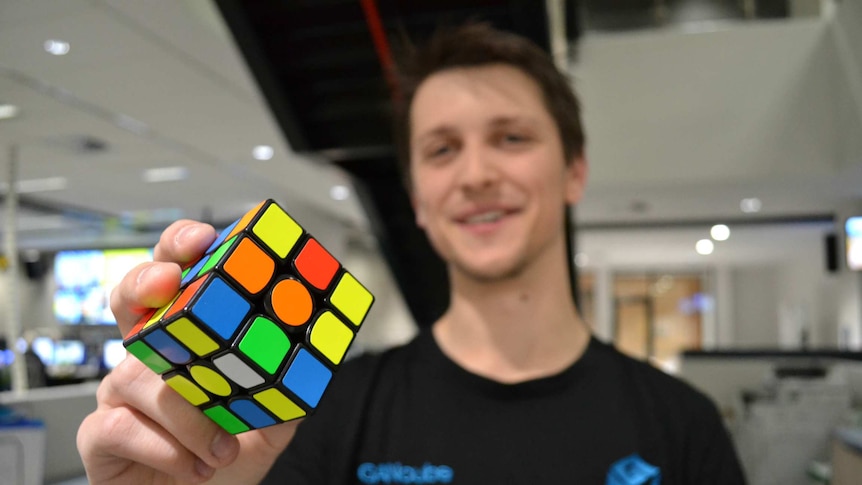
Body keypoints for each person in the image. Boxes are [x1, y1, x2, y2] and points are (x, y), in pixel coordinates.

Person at [77, 23, 747, 484]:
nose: (476, 173)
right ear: (418, 198)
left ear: (574, 170)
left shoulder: (682, 425)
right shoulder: (319, 416)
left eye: (511, 137)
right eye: (442, 149)